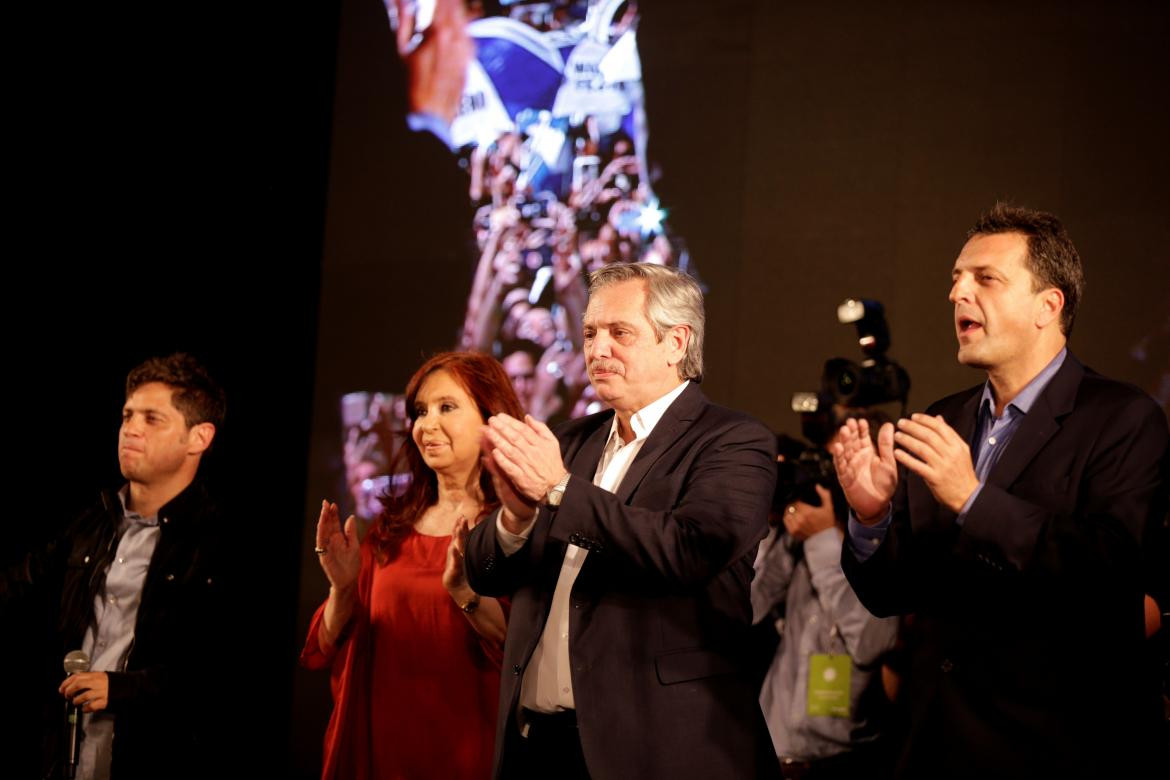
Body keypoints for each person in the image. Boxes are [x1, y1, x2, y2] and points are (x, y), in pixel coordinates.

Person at [832, 204, 1169, 778]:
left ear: (1048, 305)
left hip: (1056, 749)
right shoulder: (945, 419)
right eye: (956, 279)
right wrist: (871, 518)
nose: (957, 294)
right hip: (934, 745)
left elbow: (1108, 572)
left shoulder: (1121, 417)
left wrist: (973, 499)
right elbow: (892, 595)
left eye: (985, 279)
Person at [465, 263, 781, 778]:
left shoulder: (733, 441)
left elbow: (689, 551)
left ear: (676, 342)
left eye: (620, 332)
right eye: (590, 332)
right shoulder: (568, 441)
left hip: (659, 749)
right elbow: (485, 572)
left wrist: (559, 491)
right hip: (537, 747)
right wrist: (517, 518)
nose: (597, 348)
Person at [3, 353, 227, 779]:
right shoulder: (90, 524)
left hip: (150, 753)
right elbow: (19, 585)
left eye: (152, 419)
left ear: (198, 438)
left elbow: (217, 671)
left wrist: (122, 689)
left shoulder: (215, 542)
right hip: (64, 751)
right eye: (127, 415)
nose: (131, 429)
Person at [301, 351, 524, 779]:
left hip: (468, 750)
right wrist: (343, 587)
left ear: (490, 418)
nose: (427, 425)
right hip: (383, 747)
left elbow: (519, 645)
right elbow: (324, 647)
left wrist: (464, 592)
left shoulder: (515, 526)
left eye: (447, 407)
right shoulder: (391, 527)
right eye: (420, 411)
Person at [752, 435, 899, 778]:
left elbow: (869, 643)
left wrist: (822, 540)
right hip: (772, 754)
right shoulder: (795, 544)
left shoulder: (880, 554)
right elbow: (748, 608)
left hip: (842, 762)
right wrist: (769, 522)